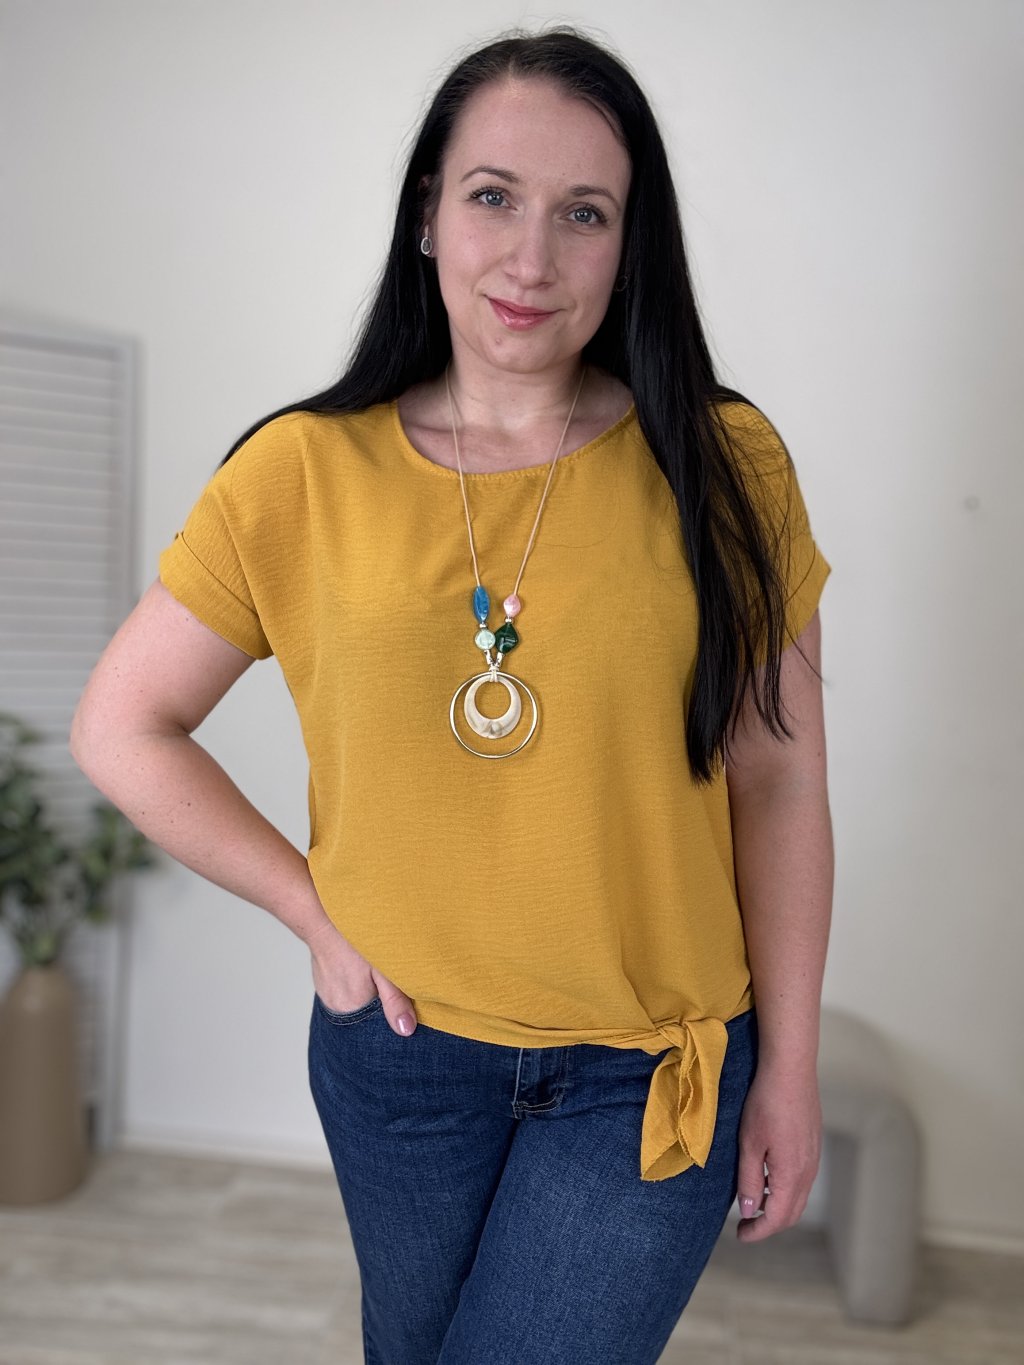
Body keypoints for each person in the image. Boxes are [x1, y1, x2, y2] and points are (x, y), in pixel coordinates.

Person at [71, 26, 833, 1365]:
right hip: (401, 1058)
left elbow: (778, 779)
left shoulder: (726, 464)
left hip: (650, 1069)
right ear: (428, 213)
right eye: (493, 197)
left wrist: (791, 1065)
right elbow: (122, 726)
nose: (532, 258)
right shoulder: (300, 473)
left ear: (630, 244)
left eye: (584, 213)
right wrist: (310, 909)